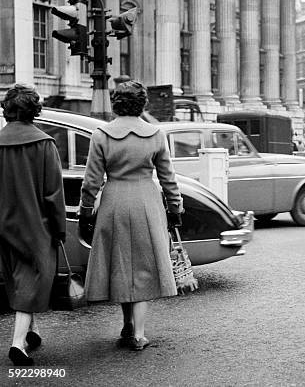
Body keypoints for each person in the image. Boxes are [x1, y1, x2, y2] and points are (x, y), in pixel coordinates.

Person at [79, 80, 183, 351]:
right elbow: (168, 179)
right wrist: (175, 208)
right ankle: (137, 333)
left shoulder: (101, 135)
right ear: (142, 104)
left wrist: (86, 211)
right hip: (147, 202)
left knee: (122, 265)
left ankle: (127, 325)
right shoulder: (156, 134)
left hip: (113, 201)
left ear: (116, 103)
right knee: (145, 268)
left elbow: (91, 181)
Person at [0, 84, 66, 366]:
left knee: (17, 278)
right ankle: (17, 344)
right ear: (34, 111)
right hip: (35, 225)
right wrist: (59, 229)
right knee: (35, 277)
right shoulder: (44, 144)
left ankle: (31, 331)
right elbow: (54, 194)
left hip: (3, 224)